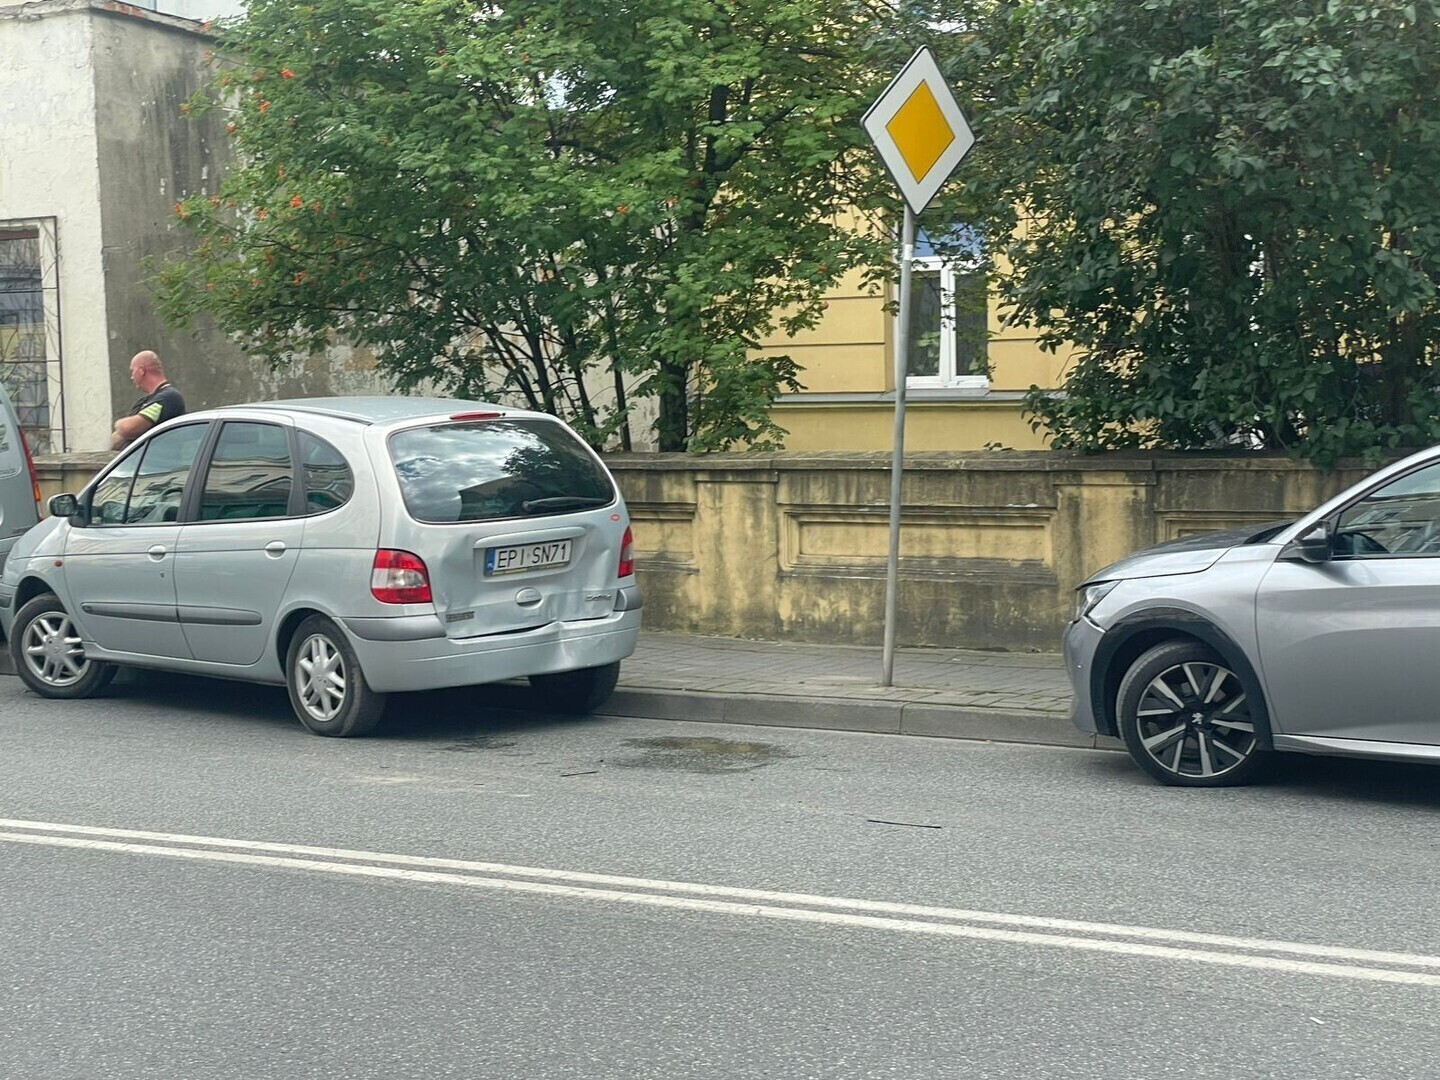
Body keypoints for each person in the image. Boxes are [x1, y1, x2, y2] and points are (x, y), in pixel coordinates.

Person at [111, 350, 186, 450]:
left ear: (142, 370)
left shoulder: (168, 397)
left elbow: (128, 428)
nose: (132, 377)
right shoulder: (145, 401)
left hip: (160, 459)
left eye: (132, 371)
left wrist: (118, 425)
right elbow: (116, 438)